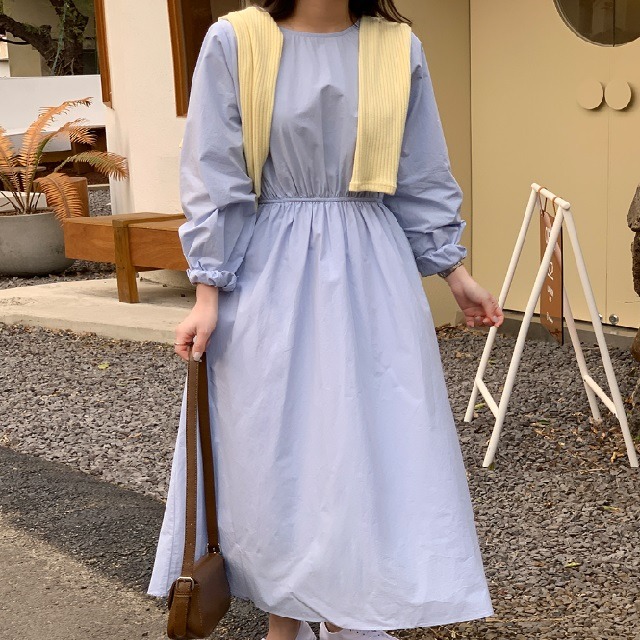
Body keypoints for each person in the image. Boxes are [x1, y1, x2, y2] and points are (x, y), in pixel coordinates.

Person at [147, 1, 504, 639]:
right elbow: (214, 170)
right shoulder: (236, 40)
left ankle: (347, 616)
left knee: (367, 444)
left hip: (373, 273)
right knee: (276, 452)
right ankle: (283, 623)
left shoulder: (397, 47)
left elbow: (421, 170)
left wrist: (454, 272)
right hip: (269, 273)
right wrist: (207, 291)